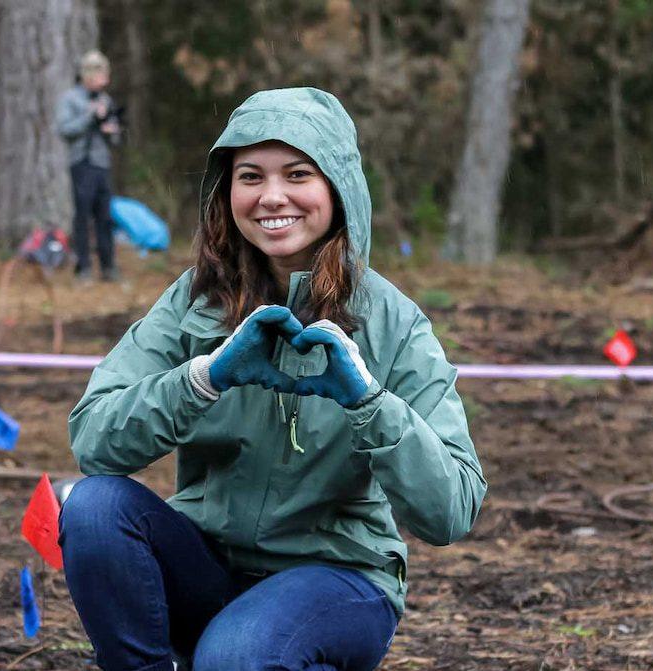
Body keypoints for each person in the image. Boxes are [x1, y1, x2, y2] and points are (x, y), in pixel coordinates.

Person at [61, 87, 486, 671]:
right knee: (94, 508)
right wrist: (201, 380)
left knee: (235, 657)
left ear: (337, 188)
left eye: (297, 174)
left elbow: (453, 510)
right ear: (225, 191)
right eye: (250, 177)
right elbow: (93, 440)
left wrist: (369, 403)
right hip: (208, 566)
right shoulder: (194, 302)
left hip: (337, 580)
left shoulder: (394, 322)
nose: (272, 197)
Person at [56, 50, 123, 282]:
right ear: (87, 74)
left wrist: (111, 130)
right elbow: (64, 129)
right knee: (82, 217)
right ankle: (83, 268)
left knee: (104, 217)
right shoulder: (71, 99)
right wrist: (90, 118)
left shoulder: (105, 100)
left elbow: (115, 136)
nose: (102, 79)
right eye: (98, 73)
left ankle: (108, 267)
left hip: (102, 164)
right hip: (82, 164)